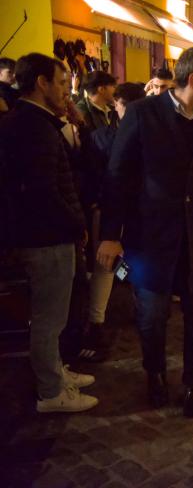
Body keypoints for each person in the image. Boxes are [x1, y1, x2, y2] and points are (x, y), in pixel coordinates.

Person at [96, 47, 193, 418]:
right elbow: (119, 177)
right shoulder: (142, 114)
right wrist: (111, 233)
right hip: (151, 240)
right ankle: (156, 374)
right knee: (150, 316)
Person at [0, 53, 97, 413]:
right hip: (46, 236)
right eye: (60, 82)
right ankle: (51, 391)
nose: (65, 90)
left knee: (51, 317)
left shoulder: (32, 121)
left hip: (44, 233)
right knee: (49, 318)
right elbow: (45, 189)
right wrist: (75, 224)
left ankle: (55, 373)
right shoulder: (33, 126)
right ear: (41, 83)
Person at [79, 82, 147, 361]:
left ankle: (140, 308)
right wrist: (95, 201)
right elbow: (92, 173)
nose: (117, 109)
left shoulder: (146, 137)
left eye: (119, 105)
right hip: (109, 212)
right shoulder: (100, 137)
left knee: (130, 264)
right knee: (107, 266)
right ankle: (97, 321)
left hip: (137, 213)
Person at [75, 70, 117, 140]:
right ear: (101, 89)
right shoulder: (82, 112)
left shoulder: (112, 108)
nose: (116, 90)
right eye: (113, 86)